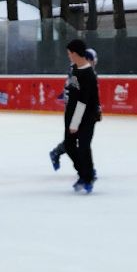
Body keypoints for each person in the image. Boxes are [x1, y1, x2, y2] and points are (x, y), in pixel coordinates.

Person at [49, 40, 100, 194]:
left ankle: (88, 176)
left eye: (69, 53)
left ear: (75, 53)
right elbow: (73, 94)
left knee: (84, 146)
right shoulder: (74, 71)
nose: (68, 56)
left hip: (86, 117)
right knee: (70, 146)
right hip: (71, 115)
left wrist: (75, 122)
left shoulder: (89, 74)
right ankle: (84, 173)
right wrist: (69, 118)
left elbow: (84, 100)